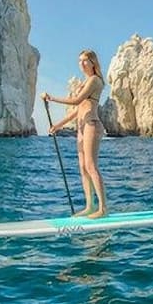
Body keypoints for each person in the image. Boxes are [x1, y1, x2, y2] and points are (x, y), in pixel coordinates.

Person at [42, 50, 108, 218]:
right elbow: (78, 110)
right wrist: (58, 125)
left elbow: (76, 101)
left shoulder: (94, 80)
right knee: (83, 168)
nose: (82, 64)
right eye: (80, 61)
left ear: (93, 62)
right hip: (81, 126)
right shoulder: (87, 82)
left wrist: (52, 98)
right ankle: (89, 206)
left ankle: (102, 209)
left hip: (91, 124)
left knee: (91, 166)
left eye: (85, 60)